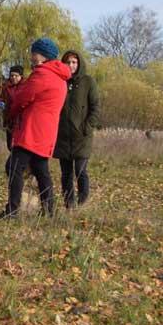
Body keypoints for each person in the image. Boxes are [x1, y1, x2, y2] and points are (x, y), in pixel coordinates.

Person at [0, 38, 71, 218]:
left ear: (42, 55)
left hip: (31, 130)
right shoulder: (61, 78)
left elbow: (22, 98)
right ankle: (49, 211)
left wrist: (10, 115)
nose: (31, 57)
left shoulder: (42, 74)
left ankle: (12, 210)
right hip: (47, 132)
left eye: (34, 53)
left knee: (14, 167)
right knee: (41, 171)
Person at [53, 51, 100, 208]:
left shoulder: (88, 82)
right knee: (66, 173)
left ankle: (82, 203)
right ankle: (69, 205)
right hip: (63, 137)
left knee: (80, 171)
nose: (71, 65)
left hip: (82, 137)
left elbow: (95, 108)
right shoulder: (59, 81)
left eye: (74, 62)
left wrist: (86, 127)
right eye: (68, 62)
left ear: (79, 64)